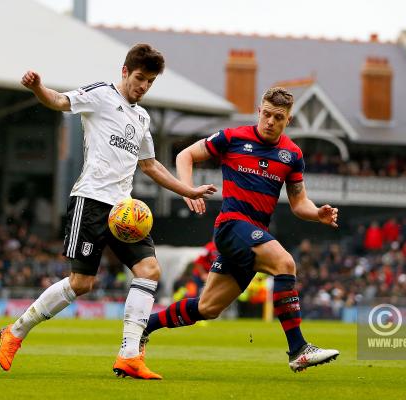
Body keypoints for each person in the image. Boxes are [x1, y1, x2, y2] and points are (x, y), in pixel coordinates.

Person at [0, 44, 216, 380]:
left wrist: (187, 190)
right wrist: (38, 87)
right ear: (125, 71)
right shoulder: (100, 94)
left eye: (150, 82)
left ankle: (129, 355)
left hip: (125, 211)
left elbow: (150, 165)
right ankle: (15, 332)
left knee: (149, 270)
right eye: (140, 78)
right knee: (81, 283)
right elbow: (58, 101)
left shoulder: (142, 118)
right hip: (91, 201)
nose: (143, 86)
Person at [141, 87, 340, 374]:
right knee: (285, 263)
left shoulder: (292, 155)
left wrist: (317, 213)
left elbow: (299, 203)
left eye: (278, 117)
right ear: (259, 112)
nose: (270, 121)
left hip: (252, 235)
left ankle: (144, 326)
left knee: (208, 308)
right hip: (231, 226)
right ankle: (298, 349)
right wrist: (188, 190)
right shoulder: (232, 138)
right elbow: (186, 155)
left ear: (288, 121)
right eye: (267, 114)